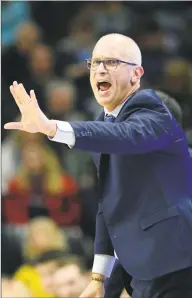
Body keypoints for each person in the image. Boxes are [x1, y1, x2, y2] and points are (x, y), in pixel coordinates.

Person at [4, 33, 192, 298]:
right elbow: (108, 203)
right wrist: (98, 275)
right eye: (95, 62)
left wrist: (50, 127)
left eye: (112, 62)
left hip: (174, 258)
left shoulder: (153, 110)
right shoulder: (103, 123)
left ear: (136, 74)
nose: (100, 69)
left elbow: (126, 136)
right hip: (139, 267)